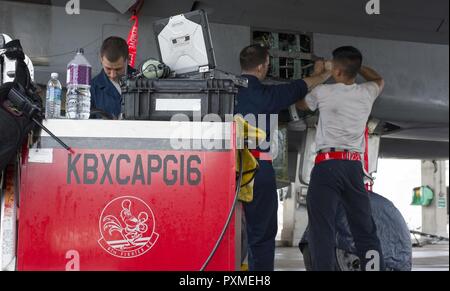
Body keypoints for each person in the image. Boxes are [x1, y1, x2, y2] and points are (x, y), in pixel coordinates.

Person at [235, 44, 331, 271]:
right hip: (257, 171)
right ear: (262, 66)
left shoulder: (224, 91)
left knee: (225, 231)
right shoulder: (269, 95)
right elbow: (301, 87)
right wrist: (324, 73)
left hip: (226, 170)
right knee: (262, 234)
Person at [296, 46, 385, 271]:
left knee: (322, 229)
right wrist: (351, 66)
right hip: (354, 167)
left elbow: (301, 104)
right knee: (364, 228)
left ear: (336, 71)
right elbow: (378, 78)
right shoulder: (367, 92)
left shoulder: (323, 93)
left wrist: (321, 73)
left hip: (327, 166)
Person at [90, 36, 135, 119]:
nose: (113, 75)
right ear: (101, 59)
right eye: (108, 68)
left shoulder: (142, 81)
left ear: (128, 59)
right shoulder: (92, 88)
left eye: (118, 69)